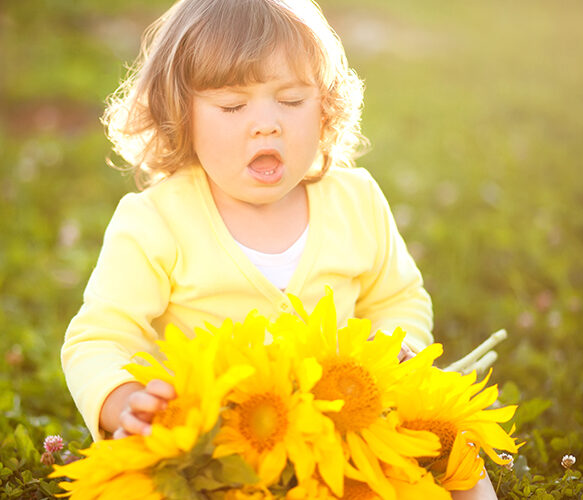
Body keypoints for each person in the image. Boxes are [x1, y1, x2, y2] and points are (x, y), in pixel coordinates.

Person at [61, 0, 497, 497]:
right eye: (232, 106)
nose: (267, 124)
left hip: (338, 435)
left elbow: (396, 297)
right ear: (179, 114)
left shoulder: (356, 201)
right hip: (217, 446)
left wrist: (395, 351)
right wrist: (124, 399)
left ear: (326, 106)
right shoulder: (156, 221)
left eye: (291, 100)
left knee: (455, 455)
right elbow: (100, 336)